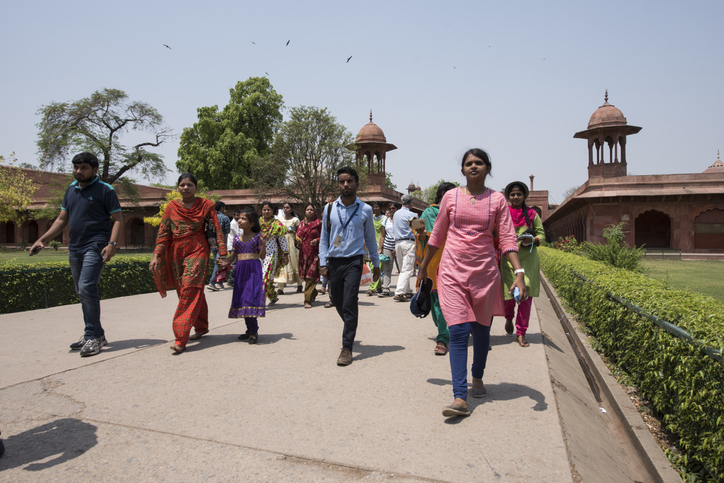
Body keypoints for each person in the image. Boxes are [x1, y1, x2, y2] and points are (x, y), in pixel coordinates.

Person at [418, 148, 527, 417]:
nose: (473, 166)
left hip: (485, 274)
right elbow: (438, 234)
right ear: (463, 170)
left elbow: (507, 238)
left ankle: (477, 376)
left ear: (488, 168)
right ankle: (459, 396)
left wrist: (519, 272)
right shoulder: (451, 197)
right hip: (452, 271)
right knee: (457, 332)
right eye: (468, 163)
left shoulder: (498, 200)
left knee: (481, 331)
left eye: (479, 163)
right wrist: (423, 265)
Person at [30, 152, 123, 357]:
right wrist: (42, 240)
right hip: (75, 246)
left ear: (95, 170)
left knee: (86, 286)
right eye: (76, 167)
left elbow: (117, 219)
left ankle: (92, 335)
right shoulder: (71, 189)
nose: (78, 171)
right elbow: (62, 219)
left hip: (95, 245)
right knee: (81, 291)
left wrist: (112, 244)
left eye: (83, 167)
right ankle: (95, 332)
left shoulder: (105, 190)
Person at [149, 173, 228, 354]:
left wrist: (222, 254)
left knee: (189, 289)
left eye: (189, 185)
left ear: (196, 187)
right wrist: (156, 256)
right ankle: (201, 326)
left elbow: (217, 228)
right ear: (178, 187)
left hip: (198, 249)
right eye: (182, 185)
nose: (185, 188)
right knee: (186, 290)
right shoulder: (171, 207)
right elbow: (163, 233)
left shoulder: (206, 205)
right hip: (177, 252)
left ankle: (180, 336)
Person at [319, 167, 380, 366]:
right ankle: (350, 325)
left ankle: (347, 347)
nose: (346, 185)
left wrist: (376, 263)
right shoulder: (329, 209)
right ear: (338, 184)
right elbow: (324, 239)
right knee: (337, 301)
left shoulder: (365, 209)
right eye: (342, 181)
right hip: (334, 262)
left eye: (350, 181)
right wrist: (322, 264)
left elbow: (371, 239)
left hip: (355, 260)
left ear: (357, 184)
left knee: (350, 302)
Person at [414, 182, 457, 356]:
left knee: (445, 302)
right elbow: (420, 234)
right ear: (439, 196)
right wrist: (421, 233)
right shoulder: (429, 212)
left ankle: (442, 338)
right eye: (444, 193)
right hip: (433, 262)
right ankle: (444, 330)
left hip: (455, 261)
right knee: (435, 303)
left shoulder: (460, 212)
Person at [501, 181, 545, 348]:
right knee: (510, 298)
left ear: (525, 196)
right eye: (512, 194)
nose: (516, 197)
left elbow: (541, 233)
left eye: (519, 194)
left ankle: (521, 332)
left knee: (525, 298)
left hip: (528, 260)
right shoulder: (503, 213)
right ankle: (508, 318)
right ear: (508, 196)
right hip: (508, 261)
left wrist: (533, 239)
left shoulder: (533, 214)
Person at [228, 209, 267, 344]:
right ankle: (249, 330)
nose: (239, 220)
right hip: (240, 271)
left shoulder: (257, 237)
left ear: (251, 223)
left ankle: (254, 330)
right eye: (239, 218)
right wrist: (224, 261)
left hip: (253, 270)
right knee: (243, 299)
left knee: (250, 299)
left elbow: (262, 256)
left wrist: (263, 243)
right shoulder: (237, 239)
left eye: (243, 219)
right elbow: (231, 257)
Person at [260, 201, 289, 305]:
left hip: (271, 254)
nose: (266, 211)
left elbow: (282, 240)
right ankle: (272, 296)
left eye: (268, 209)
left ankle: (260, 301)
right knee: (259, 278)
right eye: (264, 209)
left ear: (273, 211)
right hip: (258, 254)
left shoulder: (277, 224)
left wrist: (286, 255)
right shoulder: (256, 223)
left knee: (265, 277)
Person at [393, 194, 419, 301]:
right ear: (410, 203)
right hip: (409, 242)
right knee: (407, 268)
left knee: (403, 268)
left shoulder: (396, 214)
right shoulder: (413, 215)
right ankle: (399, 292)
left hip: (398, 243)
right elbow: (418, 230)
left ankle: (407, 291)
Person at [296, 203, 322, 308]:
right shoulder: (301, 224)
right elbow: (298, 237)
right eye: (307, 210)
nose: (309, 211)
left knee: (311, 276)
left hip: (315, 254)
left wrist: (317, 240)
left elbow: (324, 237)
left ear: (315, 212)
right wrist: (297, 240)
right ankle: (313, 293)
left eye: (311, 209)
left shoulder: (318, 223)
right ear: (305, 211)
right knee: (306, 278)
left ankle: (307, 301)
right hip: (303, 254)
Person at [275, 202, 303, 294]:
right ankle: (280, 287)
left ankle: (299, 285)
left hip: (292, 244)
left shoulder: (296, 220)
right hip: (282, 243)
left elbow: (300, 232)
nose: (285, 209)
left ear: (291, 209)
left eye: (287, 207)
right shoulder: (279, 220)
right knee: (282, 264)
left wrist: (294, 233)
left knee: (295, 263)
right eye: (284, 207)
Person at [207, 201, 231, 291]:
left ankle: (219, 282)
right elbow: (228, 231)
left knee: (217, 262)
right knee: (220, 262)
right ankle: (212, 282)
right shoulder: (224, 218)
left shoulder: (209, 217)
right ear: (221, 208)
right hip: (221, 243)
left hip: (212, 242)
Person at [377, 203, 399, 297]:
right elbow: (383, 235)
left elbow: (401, 235)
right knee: (387, 269)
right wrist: (380, 248)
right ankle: (386, 289)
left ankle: (403, 290)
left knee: (402, 269)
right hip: (387, 247)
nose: (391, 210)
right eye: (389, 208)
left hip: (398, 246)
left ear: (397, 209)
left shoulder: (399, 221)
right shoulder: (385, 221)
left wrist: (396, 247)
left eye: (393, 208)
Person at [365, 202, 386, 296]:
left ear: (381, 208)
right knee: (372, 266)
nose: (375, 208)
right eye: (374, 207)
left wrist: (381, 247)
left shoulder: (384, 219)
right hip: (370, 244)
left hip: (380, 244)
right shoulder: (371, 217)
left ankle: (371, 288)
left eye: (377, 207)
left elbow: (383, 234)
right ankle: (378, 287)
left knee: (376, 266)